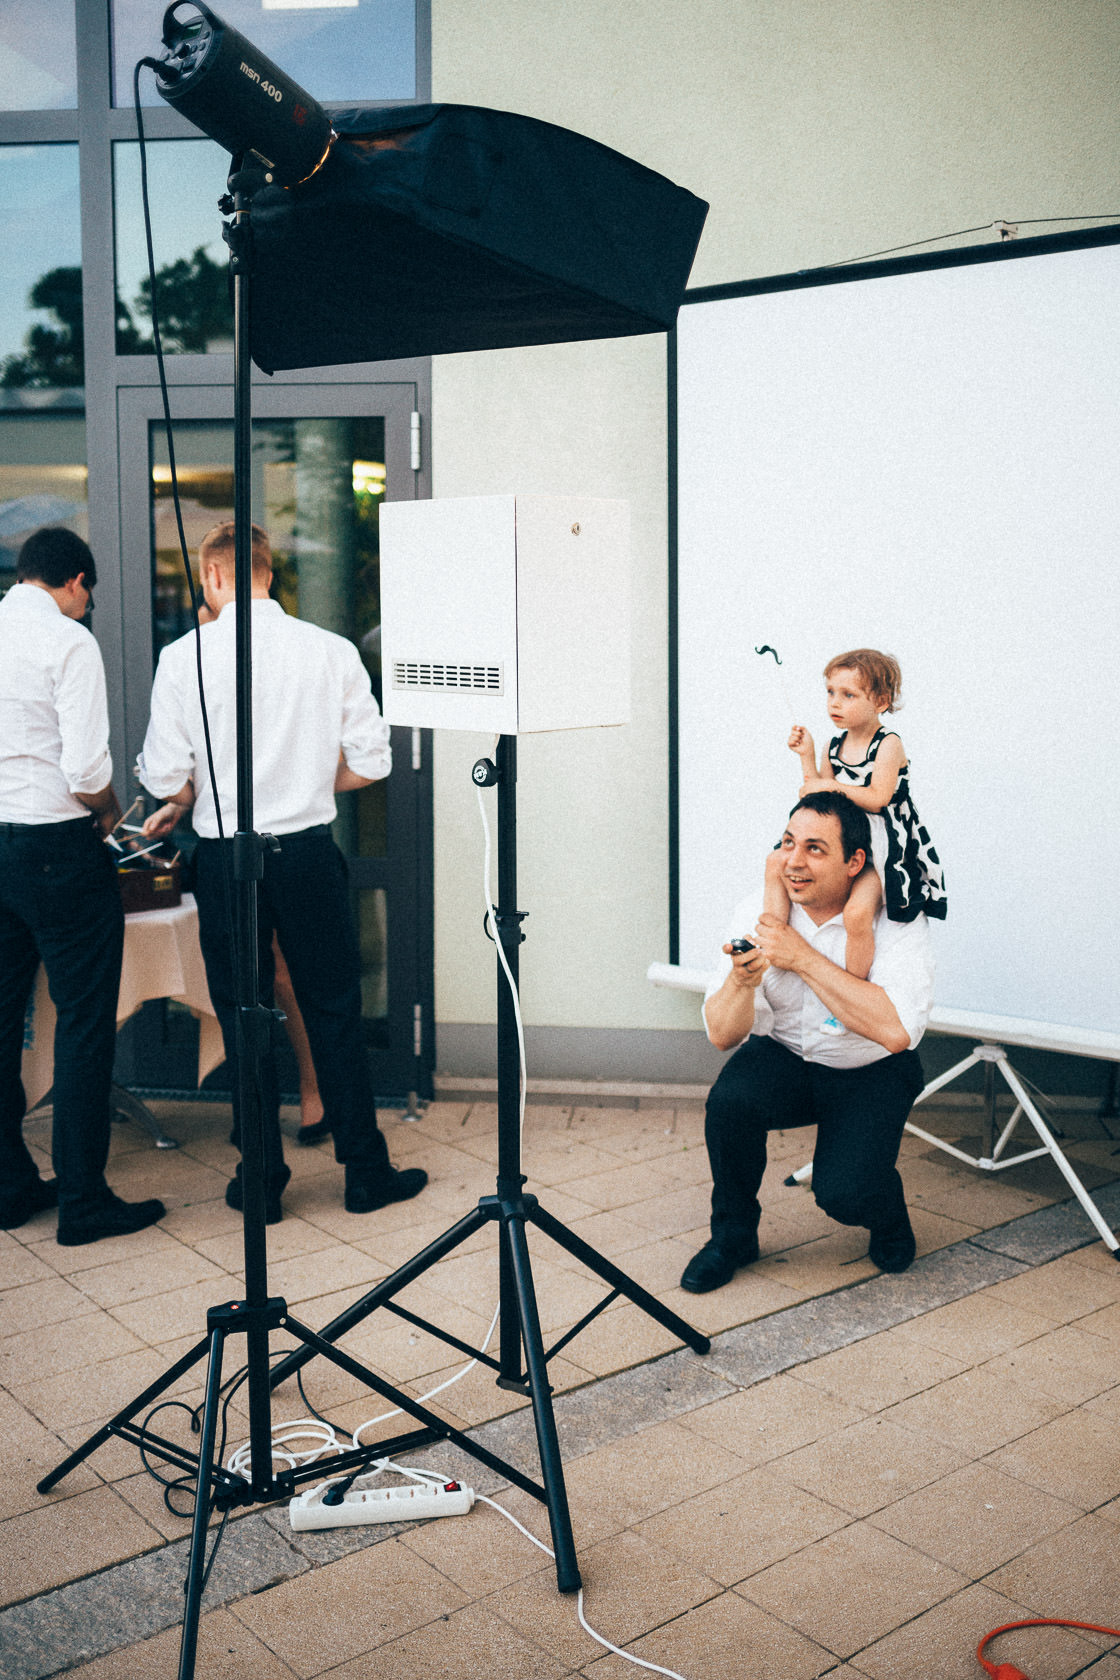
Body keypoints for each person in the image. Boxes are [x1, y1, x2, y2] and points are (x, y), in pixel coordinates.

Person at [137, 521, 426, 1222]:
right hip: (303, 852)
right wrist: (306, 779)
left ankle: (262, 1180)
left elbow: (168, 773)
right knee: (333, 1008)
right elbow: (374, 760)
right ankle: (364, 1172)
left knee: (244, 1014)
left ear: (212, 576)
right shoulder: (329, 651)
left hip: (226, 862)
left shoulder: (184, 658)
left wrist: (192, 795)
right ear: (270, 573)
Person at [681, 790, 934, 1293]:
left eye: (815, 849)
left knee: (843, 1195)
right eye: (788, 843)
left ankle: (886, 1213)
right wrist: (742, 983)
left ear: (853, 862)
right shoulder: (758, 910)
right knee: (728, 1104)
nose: (794, 861)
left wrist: (800, 957)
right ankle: (733, 1237)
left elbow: (896, 1030)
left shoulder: (897, 922)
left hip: (872, 1069)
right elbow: (721, 1035)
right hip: (789, 1057)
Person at [0, 528, 166, 1244]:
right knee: (85, 1021)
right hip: (56, 848)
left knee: (2, 1025)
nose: (88, 605)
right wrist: (106, 817)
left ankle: (9, 1189)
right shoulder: (69, 643)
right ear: (74, 580)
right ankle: (83, 1199)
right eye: (88, 592)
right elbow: (86, 768)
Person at [762, 649, 946, 987]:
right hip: (842, 836)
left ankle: (849, 989)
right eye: (831, 693)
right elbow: (820, 797)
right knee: (775, 862)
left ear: (880, 701)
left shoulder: (887, 745)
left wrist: (829, 784)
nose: (835, 703)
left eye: (848, 695)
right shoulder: (834, 744)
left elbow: (878, 798)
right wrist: (806, 756)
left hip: (879, 847)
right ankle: (771, 947)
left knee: (858, 914)